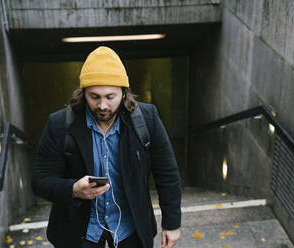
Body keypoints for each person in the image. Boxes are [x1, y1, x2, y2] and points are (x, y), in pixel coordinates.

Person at [32, 46, 182, 248]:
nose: (102, 105)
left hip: (131, 231)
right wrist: (73, 189)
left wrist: (171, 224)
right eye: (94, 97)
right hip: (78, 234)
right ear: (83, 93)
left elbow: (168, 173)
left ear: (124, 92)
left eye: (110, 97)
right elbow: (40, 180)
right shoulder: (59, 124)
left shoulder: (147, 119)